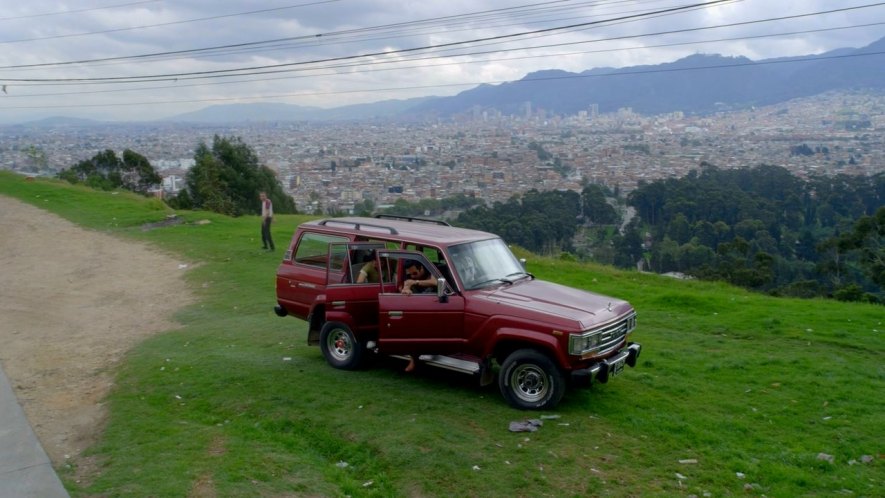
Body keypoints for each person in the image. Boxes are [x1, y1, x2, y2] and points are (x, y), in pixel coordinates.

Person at [400, 259, 437, 372]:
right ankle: (413, 359)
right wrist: (406, 290)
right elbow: (404, 287)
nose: (412, 276)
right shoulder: (409, 277)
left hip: (434, 306)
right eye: (410, 274)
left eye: (415, 273)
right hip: (420, 308)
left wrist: (415, 283)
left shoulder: (431, 270)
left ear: (421, 268)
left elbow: (435, 282)